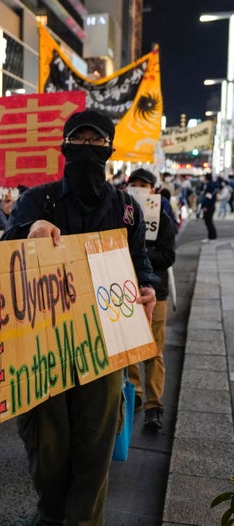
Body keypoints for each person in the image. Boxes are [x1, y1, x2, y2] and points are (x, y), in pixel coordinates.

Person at [1, 109, 157, 525]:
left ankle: (84, 521)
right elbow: (3, 248)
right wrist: (30, 230)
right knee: (47, 447)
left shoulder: (127, 208)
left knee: (95, 446)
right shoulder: (38, 199)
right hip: (43, 345)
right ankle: (50, 514)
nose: (87, 149)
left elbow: (139, 259)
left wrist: (147, 287)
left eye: (96, 142)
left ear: (110, 149)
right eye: (79, 140)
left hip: (104, 345)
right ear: (64, 147)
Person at [125, 168, 176, 430]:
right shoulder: (121, 214)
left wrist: (139, 254)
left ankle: (154, 405)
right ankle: (135, 395)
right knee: (131, 348)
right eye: (133, 185)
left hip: (157, 292)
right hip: (126, 290)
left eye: (143, 186)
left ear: (153, 191)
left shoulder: (163, 220)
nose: (138, 190)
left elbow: (168, 256)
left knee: (154, 350)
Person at [200, 172, 218, 241]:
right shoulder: (212, 184)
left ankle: (212, 237)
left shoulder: (209, 185)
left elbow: (208, 197)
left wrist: (206, 206)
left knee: (208, 222)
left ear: (206, 178)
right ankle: (211, 236)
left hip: (209, 206)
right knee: (209, 221)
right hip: (211, 206)